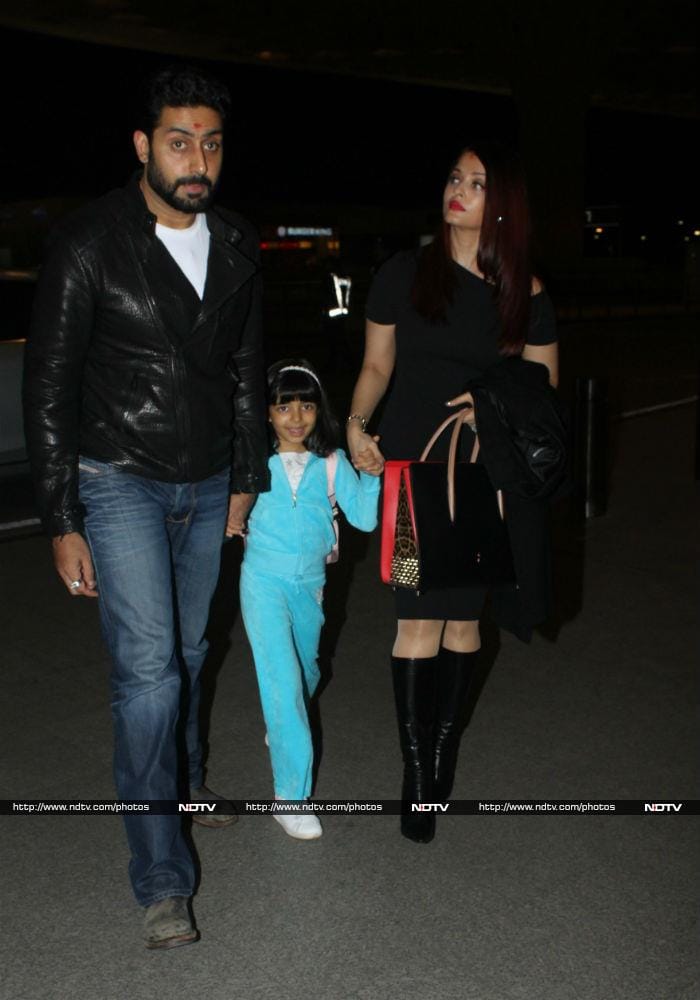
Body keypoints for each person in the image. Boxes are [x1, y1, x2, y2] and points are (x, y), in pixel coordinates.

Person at [23, 66, 270, 948]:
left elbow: (246, 372)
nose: (197, 158)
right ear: (142, 146)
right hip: (118, 476)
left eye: (209, 141)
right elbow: (48, 382)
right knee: (149, 672)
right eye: (178, 140)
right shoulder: (90, 242)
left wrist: (247, 476)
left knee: (196, 650)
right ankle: (161, 877)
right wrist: (61, 518)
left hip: (207, 483)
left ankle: (189, 780)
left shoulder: (237, 242)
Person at [346, 141, 559, 843]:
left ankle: (443, 752)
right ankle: (416, 773)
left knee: (465, 623)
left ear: (502, 205)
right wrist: (355, 424)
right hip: (410, 472)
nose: (458, 191)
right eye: (453, 179)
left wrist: (490, 406)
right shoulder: (404, 274)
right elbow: (378, 365)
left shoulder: (522, 292)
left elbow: (543, 388)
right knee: (415, 620)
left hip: (482, 480)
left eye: (475, 183)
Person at [228, 359, 380, 839]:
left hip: (310, 586)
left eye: (307, 406)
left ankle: (282, 719)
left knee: (308, 672)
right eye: (283, 406)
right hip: (261, 582)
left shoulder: (331, 462)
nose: (295, 417)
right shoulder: (252, 460)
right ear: (267, 412)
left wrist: (372, 474)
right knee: (286, 686)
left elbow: (366, 520)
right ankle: (290, 798)